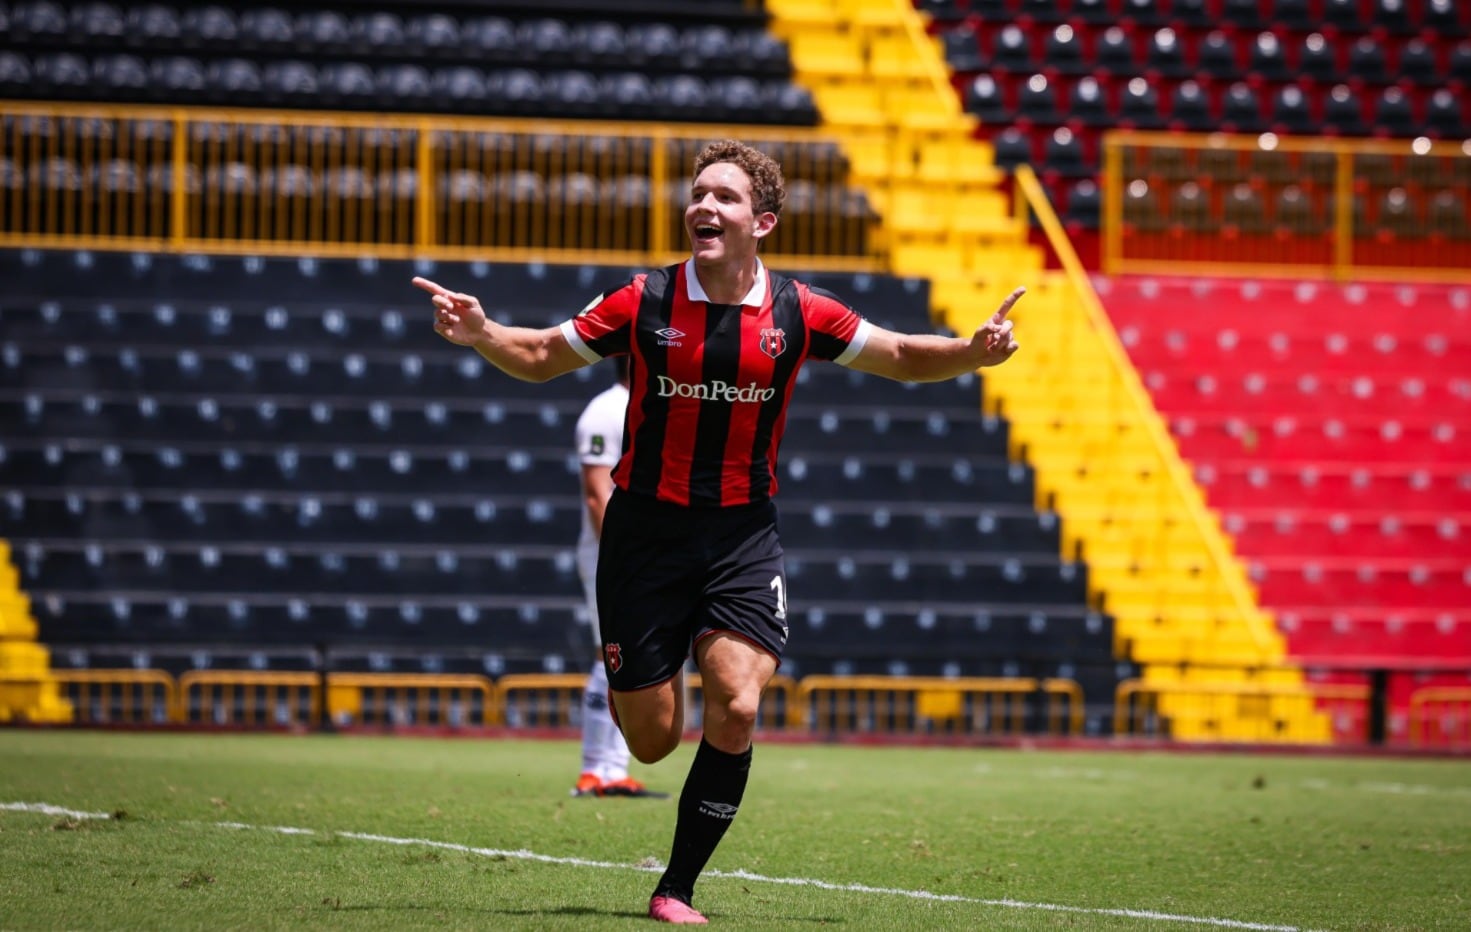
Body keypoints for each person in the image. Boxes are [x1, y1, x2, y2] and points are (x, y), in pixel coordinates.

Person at [413, 139, 1021, 925]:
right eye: (698, 193)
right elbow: (537, 355)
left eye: (724, 196)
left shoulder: (800, 310)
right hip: (643, 535)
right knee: (653, 741)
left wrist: (970, 353)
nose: (703, 205)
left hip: (740, 535)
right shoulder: (641, 299)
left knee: (735, 703)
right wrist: (482, 332)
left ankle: (675, 887)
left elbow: (902, 354)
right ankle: (647, 696)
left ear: (761, 222)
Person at [570, 355, 666, 799]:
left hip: (645, 554)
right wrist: (623, 556)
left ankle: (612, 768)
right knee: (606, 654)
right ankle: (595, 769)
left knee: (625, 655)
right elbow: (597, 495)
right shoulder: (606, 411)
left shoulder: (651, 405)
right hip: (613, 554)